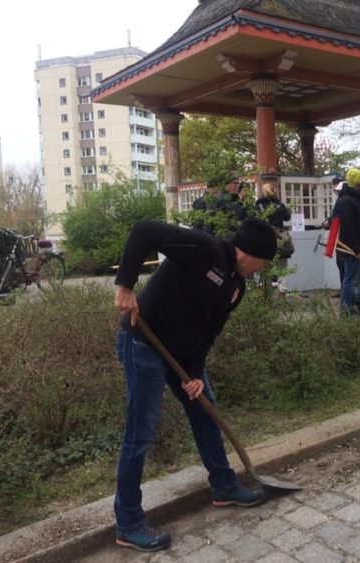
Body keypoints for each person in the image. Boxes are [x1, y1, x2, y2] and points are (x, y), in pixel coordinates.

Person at [112, 217, 277, 552]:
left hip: (182, 357)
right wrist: (125, 286)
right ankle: (128, 523)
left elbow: (208, 331)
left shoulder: (235, 287)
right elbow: (144, 230)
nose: (262, 270)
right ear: (252, 254)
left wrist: (196, 374)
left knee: (205, 409)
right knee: (141, 432)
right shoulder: (205, 249)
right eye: (263, 263)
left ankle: (224, 486)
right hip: (144, 342)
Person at [331, 168, 360, 314]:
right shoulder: (345, 202)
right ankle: (347, 311)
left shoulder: (359, 198)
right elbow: (348, 228)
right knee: (350, 281)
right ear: (357, 182)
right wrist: (357, 249)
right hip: (352, 250)